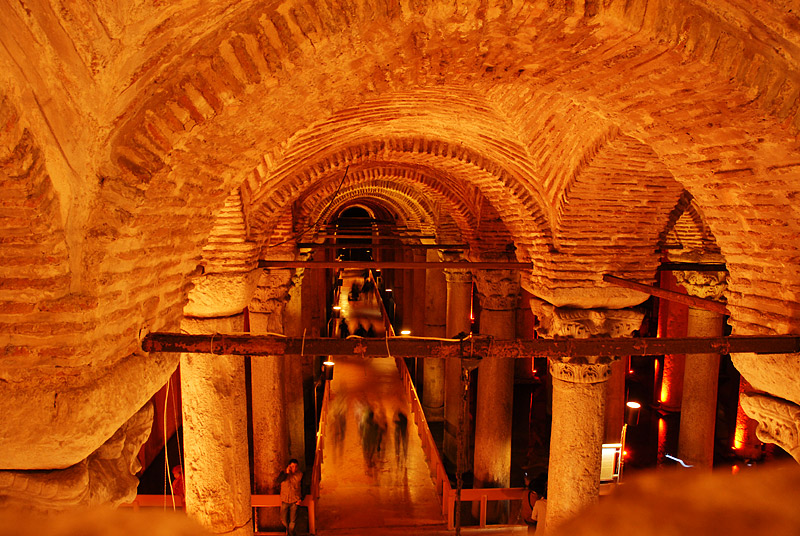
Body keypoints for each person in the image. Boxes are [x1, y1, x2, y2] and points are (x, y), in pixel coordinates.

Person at [276, 459, 303, 536]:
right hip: (285, 499)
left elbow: (303, 486)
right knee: (283, 519)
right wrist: (286, 473)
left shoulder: (300, 474)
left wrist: (301, 498)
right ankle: (288, 531)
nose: (294, 468)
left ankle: (290, 534)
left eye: (295, 466)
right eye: (292, 466)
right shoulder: (283, 474)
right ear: (289, 466)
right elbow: (278, 481)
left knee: (293, 520)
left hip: (295, 500)